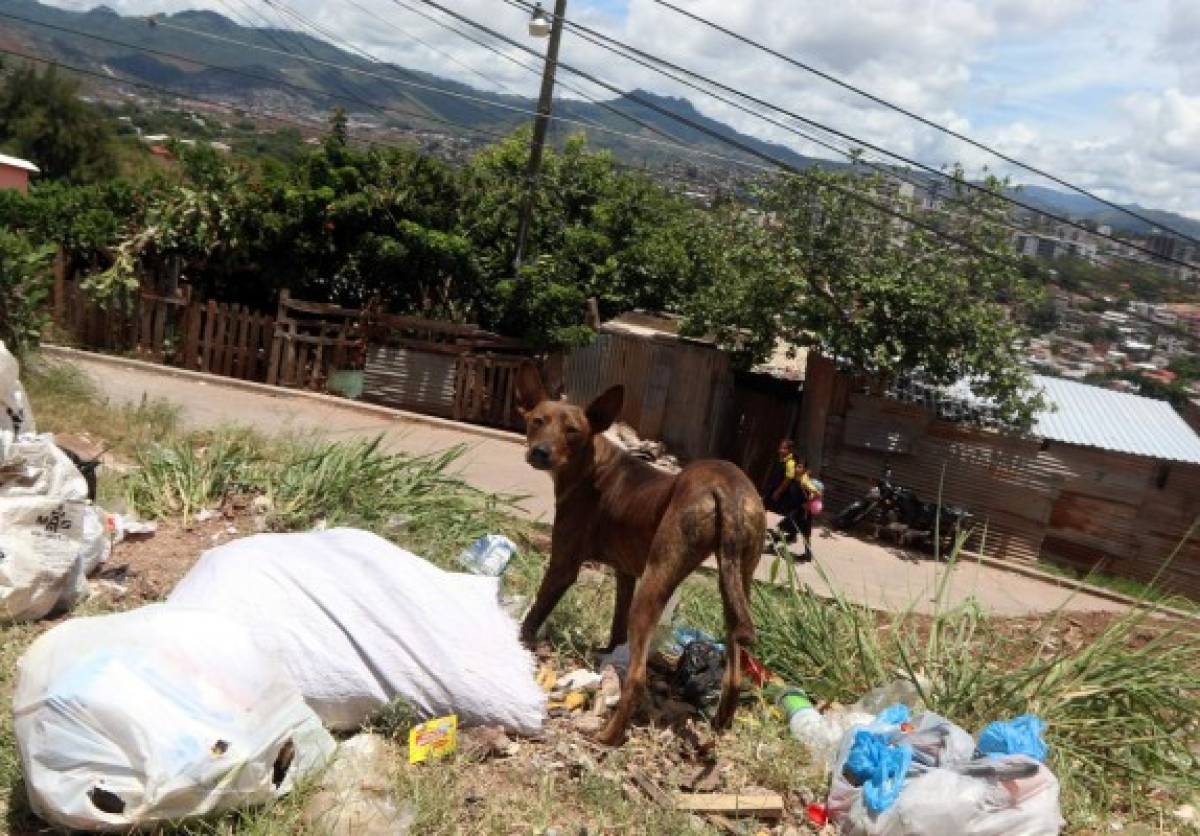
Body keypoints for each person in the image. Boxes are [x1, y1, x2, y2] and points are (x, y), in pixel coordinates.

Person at [762, 440, 820, 561]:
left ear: (804, 470)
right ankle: (807, 554)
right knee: (803, 534)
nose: (796, 468)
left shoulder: (803, 482)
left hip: (801, 513)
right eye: (797, 466)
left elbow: (814, 493)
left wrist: (807, 502)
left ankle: (772, 546)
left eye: (799, 467)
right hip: (801, 513)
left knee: (782, 528)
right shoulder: (797, 480)